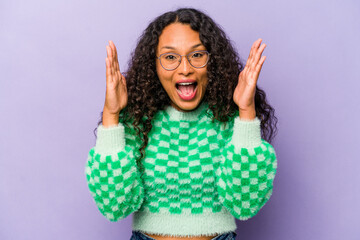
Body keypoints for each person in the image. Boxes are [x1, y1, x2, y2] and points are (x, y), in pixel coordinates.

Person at [85, 8, 278, 240]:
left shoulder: (227, 120)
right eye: (170, 57)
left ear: (212, 61)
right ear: (153, 66)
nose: (185, 68)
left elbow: (245, 204)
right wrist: (111, 114)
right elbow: (114, 205)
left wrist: (246, 111)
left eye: (197, 55)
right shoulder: (139, 122)